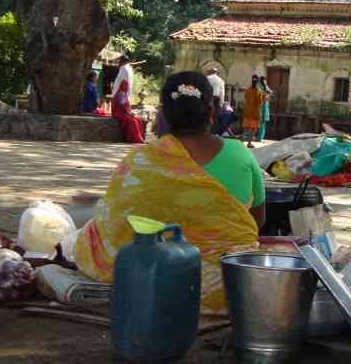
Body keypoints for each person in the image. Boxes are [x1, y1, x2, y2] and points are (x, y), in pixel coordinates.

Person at [73, 71, 266, 315]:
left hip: (148, 278)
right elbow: (257, 221)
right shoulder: (240, 154)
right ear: (211, 112)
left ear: (163, 114)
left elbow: (114, 225)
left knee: (89, 230)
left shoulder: (139, 160)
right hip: (225, 288)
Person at [112, 79, 145, 144]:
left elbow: (126, 106)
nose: (127, 87)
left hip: (125, 112)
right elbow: (122, 106)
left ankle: (139, 137)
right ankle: (134, 139)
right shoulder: (121, 94)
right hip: (120, 113)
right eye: (126, 86)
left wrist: (130, 112)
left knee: (138, 119)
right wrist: (129, 113)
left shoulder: (124, 93)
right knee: (133, 121)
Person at [242, 75, 263, 148]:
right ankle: (249, 142)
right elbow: (260, 102)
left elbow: (245, 98)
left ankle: (245, 141)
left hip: (247, 112)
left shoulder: (248, 90)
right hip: (255, 113)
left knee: (246, 127)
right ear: (257, 82)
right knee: (254, 128)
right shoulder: (259, 91)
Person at [206, 68, 225, 134]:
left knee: (205, 116)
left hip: (207, 98)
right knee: (215, 117)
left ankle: (205, 132)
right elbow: (222, 93)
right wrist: (221, 104)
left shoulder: (206, 78)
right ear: (217, 73)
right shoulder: (221, 80)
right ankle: (213, 133)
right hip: (216, 100)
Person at [256, 76, 272, 142]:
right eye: (264, 80)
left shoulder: (265, 86)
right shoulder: (258, 86)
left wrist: (268, 94)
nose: (265, 82)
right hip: (260, 106)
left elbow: (269, 93)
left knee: (262, 122)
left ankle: (260, 137)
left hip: (264, 105)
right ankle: (259, 137)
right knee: (259, 122)